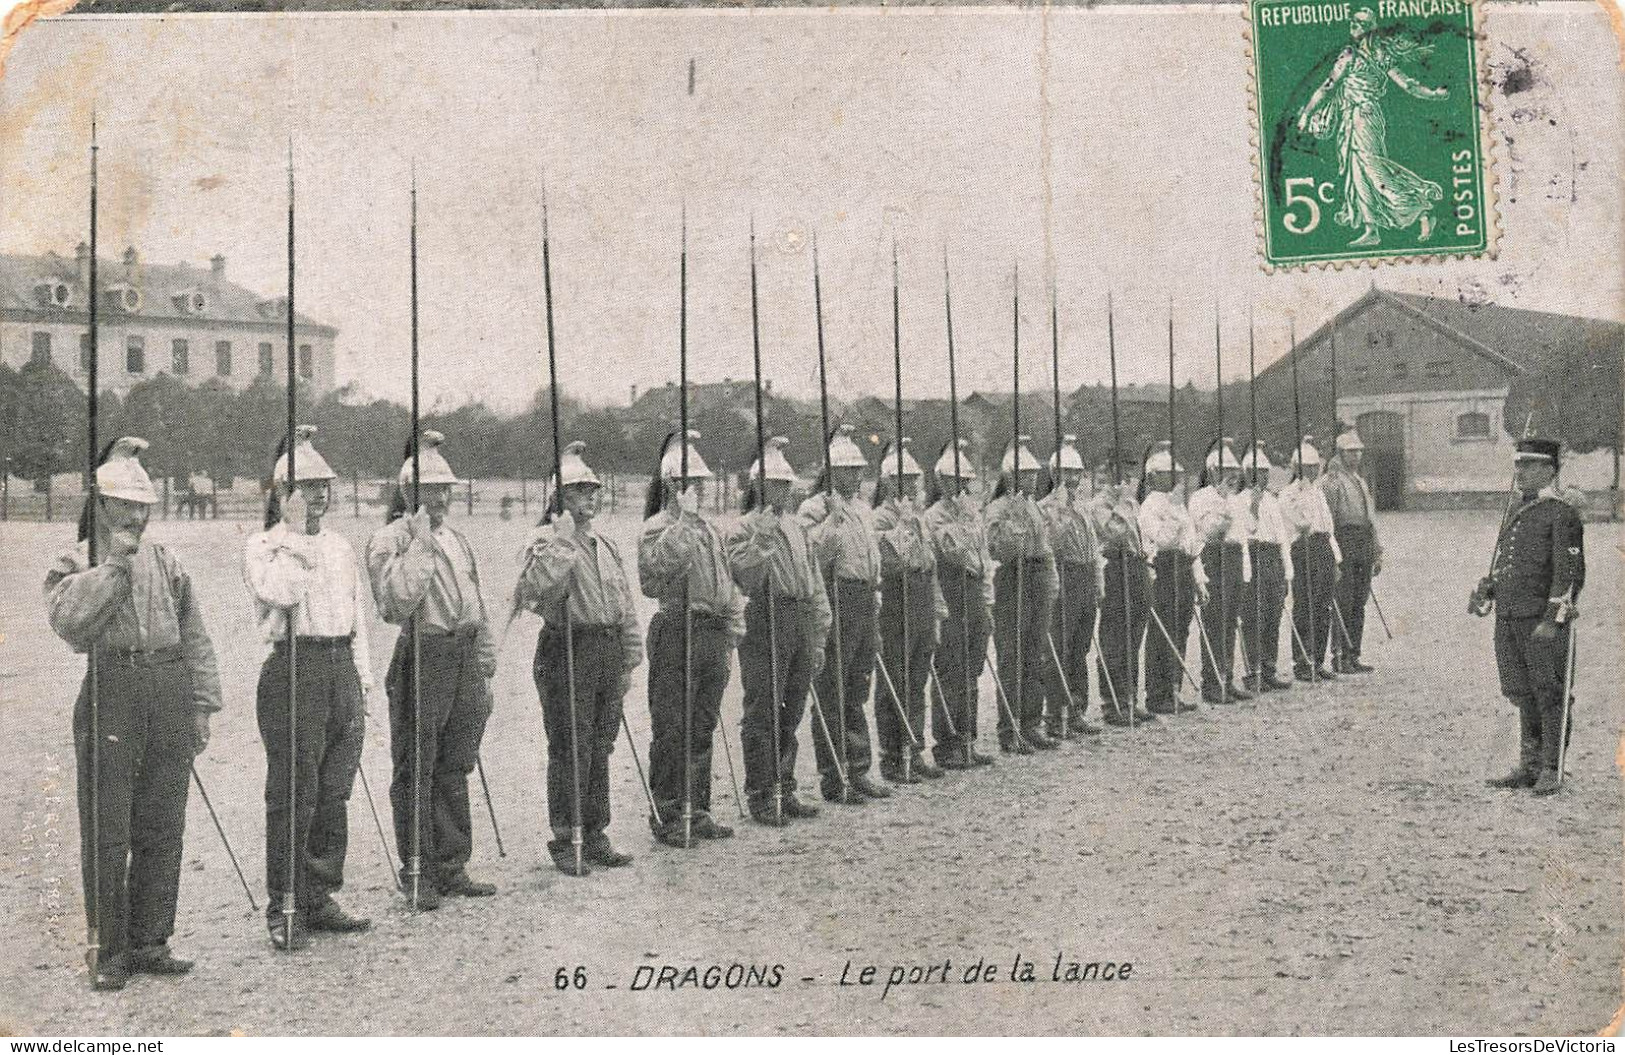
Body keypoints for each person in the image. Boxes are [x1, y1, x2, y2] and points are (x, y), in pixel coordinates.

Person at [46, 437, 221, 990]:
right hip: (112, 687)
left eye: (143, 505)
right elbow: (71, 625)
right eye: (124, 504)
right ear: (99, 504)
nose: (136, 516)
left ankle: (152, 939)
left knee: (163, 823)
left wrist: (201, 703)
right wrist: (111, 570)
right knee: (107, 827)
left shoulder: (167, 560)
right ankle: (108, 947)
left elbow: (194, 633)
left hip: (168, 685)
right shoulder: (75, 560)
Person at [243, 425, 373, 950]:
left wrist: (362, 683)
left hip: (339, 662)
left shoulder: (340, 545)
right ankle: (285, 903)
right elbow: (282, 592)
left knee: (332, 792)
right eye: (306, 486)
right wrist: (293, 537)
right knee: (293, 793)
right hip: (294, 667)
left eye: (323, 485)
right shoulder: (264, 546)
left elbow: (356, 616)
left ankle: (318, 894)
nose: (318, 496)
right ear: (282, 494)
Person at [366, 430, 497, 906]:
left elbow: (475, 599)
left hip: (462, 655)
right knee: (416, 766)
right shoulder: (389, 540)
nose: (440, 498)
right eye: (430, 490)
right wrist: (418, 547)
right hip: (423, 653)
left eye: (445, 489)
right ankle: (418, 867)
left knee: (456, 762)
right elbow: (396, 603)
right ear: (408, 494)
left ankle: (451, 862)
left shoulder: (458, 539)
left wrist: (484, 657)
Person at [518, 441, 643, 873]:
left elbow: (623, 599)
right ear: (559, 499)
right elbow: (534, 592)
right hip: (568, 646)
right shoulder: (544, 540)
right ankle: (567, 833)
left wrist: (629, 652)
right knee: (571, 744)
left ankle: (594, 831)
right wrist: (562, 542)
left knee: (600, 744)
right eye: (578, 492)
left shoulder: (605, 544)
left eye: (593, 490)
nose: (590, 498)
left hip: (606, 647)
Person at [639, 430, 747, 847]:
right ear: (672, 487)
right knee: (672, 727)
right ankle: (668, 813)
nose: (697, 490)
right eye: (690, 483)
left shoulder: (711, 530)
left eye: (700, 483)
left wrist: (733, 626)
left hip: (712, 632)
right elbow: (656, 573)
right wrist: (682, 522)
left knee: (701, 726)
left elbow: (726, 583)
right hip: (677, 629)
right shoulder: (657, 528)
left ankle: (696, 809)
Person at [1471, 438, 1586, 796]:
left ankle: (1552, 766)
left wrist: (1553, 620)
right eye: (1518, 465)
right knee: (1521, 691)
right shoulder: (1517, 509)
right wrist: (1489, 588)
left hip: (1539, 619)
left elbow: (1569, 573)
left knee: (1549, 692)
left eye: (1529, 465)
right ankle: (1529, 763)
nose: (1519, 472)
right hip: (1508, 615)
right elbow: (1511, 564)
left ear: (1550, 470)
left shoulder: (1561, 513)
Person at [726, 436, 832, 826]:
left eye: (787, 485)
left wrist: (819, 631)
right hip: (765, 617)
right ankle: (761, 791)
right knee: (763, 707)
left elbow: (813, 579)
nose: (783, 492)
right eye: (775, 484)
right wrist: (763, 536)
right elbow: (747, 578)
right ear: (759, 486)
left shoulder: (797, 526)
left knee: (793, 705)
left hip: (799, 616)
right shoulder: (743, 528)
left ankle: (784, 786)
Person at [797, 424, 888, 805]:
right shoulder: (814, 509)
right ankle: (834, 775)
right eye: (848, 470)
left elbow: (871, 557)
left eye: (859, 470)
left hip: (865, 598)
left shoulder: (863, 508)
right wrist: (830, 526)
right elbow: (811, 560)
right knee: (833, 688)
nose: (856, 477)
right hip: (836, 597)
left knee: (856, 687)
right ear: (832, 472)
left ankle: (858, 766)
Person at [871, 438, 947, 783]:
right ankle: (892, 755)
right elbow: (890, 562)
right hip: (895, 600)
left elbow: (929, 564)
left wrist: (937, 607)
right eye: (903, 481)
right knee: (895, 679)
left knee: (917, 678)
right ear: (889, 483)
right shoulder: (880, 519)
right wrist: (901, 526)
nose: (911, 487)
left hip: (919, 598)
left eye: (914, 481)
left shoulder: (918, 519)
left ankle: (913, 749)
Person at [923, 439, 995, 770]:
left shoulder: (970, 514)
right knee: (950, 670)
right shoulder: (934, 516)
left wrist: (986, 597)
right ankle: (947, 743)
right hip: (950, 591)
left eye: (963, 483)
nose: (958, 489)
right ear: (941, 482)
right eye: (952, 482)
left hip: (974, 591)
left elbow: (982, 556)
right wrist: (966, 523)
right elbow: (953, 550)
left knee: (972, 669)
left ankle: (967, 739)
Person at [985, 436, 1060, 752]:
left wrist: (1051, 579)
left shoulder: (1034, 507)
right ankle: (1010, 727)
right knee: (1012, 654)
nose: (1030, 479)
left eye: (1032, 474)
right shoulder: (998, 508)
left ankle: (1032, 722)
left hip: (1037, 577)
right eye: (1023, 474)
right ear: (1009, 477)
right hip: (1012, 579)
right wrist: (1014, 522)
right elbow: (998, 549)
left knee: (1036, 652)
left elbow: (1045, 547)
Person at [1039, 435, 1104, 739]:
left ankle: (1076, 708)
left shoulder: (1084, 507)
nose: (1073, 480)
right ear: (1055, 475)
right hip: (1062, 577)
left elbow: (1094, 547)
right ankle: (1055, 713)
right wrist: (1062, 511)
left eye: (1077, 474)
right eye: (1067, 474)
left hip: (1086, 577)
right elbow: (1052, 543)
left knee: (1080, 648)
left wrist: (1098, 583)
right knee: (1059, 648)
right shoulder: (1046, 507)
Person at [1138, 441, 1208, 716]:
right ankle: (1157, 694)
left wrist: (1199, 579)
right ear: (1154, 476)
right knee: (1161, 634)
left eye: (1175, 475)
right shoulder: (1149, 507)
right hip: (1163, 572)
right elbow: (1163, 539)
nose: (1174, 479)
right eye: (1168, 474)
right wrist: (1176, 519)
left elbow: (1191, 546)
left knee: (1181, 630)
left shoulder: (1178, 505)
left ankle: (1173, 689)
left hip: (1183, 569)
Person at [1190, 438, 1254, 705]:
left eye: (1235, 472)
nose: (1232, 477)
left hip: (1234, 557)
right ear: (1213, 471)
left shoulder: (1236, 500)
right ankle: (1213, 683)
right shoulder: (1201, 497)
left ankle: (1227, 678)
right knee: (1215, 621)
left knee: (1230, 621)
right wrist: (1226, 505)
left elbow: (1248, 529)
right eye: (1226, 471)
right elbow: (1212, 530)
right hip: (1214, 557)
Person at [1090, 469, 1154, 726]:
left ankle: (1129, 699)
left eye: (1128, 475)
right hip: (1115, 568)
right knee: (1114, 638)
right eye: (1119, 475)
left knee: (1133, 638)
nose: (1125, 482)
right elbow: (1113, 532)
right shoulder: (1100, 505)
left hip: (1136, 566)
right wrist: (1120, 505)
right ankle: (1111, 703)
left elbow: (1140, 535)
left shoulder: (1130, 502)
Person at [1279, 436, 1341, 683]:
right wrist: (1302, 495)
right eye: (1307, 468)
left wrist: (1336, 559)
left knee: (1323, 606)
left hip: (1323, 546)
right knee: (1305, 605)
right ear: (1296, 468)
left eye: (1316, 467)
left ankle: (1318, 658)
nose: (1312, 472)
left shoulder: (1318, 492)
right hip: (1303, 548)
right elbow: (1300, 523)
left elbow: (1328, 526)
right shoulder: (1288, 494)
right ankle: (1302, 661)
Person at [1320, 430, 1382, 673]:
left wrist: (1377, 550)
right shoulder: (1332, 481)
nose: (1355, 456)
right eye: (1350, 451)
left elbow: (1371, 518)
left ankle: (1354, 653)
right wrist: (1334, 554)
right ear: (1340, 453)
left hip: (1363, 543)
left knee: (1359, 600)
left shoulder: (1360, 481)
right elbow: (1329, 521)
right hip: (1344, 541)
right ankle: (1340, 655)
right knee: (1343, 600)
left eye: (1358, 451)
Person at [1239, 443, 1294, 694]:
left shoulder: (1273, 500)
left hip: (1273, 557)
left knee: (1273, 616)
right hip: (1254, 555)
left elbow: (1282, 536)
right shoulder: (1240, 500)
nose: (1261, 477)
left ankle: (1269, 668)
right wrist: (1253, 506)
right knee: (1254, 617)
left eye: (1264, 472)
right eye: (1256, 472)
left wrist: (1287, 571)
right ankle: (1253, 671)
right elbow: (1246, 531)